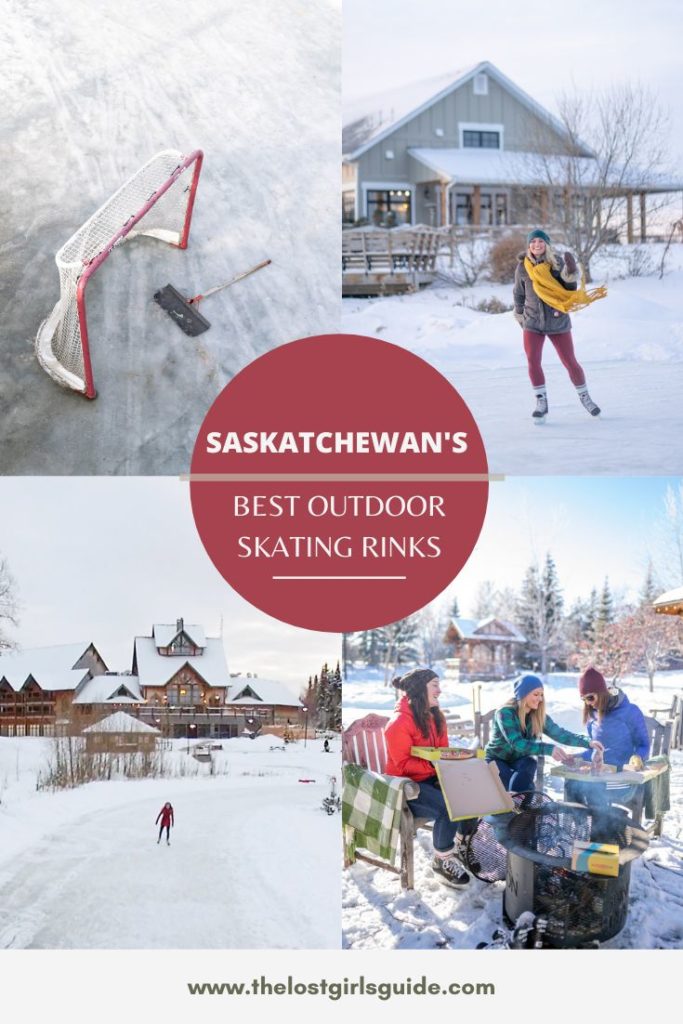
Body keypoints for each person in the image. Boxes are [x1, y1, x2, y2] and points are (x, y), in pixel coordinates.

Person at [384, 668, 474, 889]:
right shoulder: (398, 723)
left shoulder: (436, 718)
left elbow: (442, 751)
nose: (440, 690)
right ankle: (442, 861)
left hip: (429, 779)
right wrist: (433, 765)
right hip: (406, 788)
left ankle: (461, 847)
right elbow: (402, 764)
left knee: (470, 794)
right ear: (420, 689)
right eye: (435, 684)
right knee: (448, 806)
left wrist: (453, 764)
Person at [513, 229, 605, 422]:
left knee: (570, 361)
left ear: (547, 244)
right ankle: (541, 402)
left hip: (557, 319)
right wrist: (520, 315)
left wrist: (570, 274)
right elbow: (518, 294)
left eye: (541, 241)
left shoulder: (556, 263)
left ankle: (585, 397)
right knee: (533, 361)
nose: (537, 245)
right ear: (528, 245)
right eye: (533, 241)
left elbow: (569, 290)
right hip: (532, 322)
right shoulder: (522, 267)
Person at [485, 673, 603, 794]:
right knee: (508, 779)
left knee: (530, 763)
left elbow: (560, 734)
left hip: (519, 760)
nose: (540, 699)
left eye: (541, 695)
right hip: (497, 758)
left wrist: (588, 742)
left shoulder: (538, 715)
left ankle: (519, 805)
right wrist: (549, 749)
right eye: (536, 694)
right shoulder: (505, 713)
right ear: (523, 695)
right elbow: (517, 743)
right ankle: (516, 804)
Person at [564, 667, 650, 809]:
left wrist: (638, 757)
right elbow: (596, 750)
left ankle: (602, 828)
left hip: (621, 775)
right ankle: (580, 826)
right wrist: (576, 757)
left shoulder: (630, 711)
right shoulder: (592, 714)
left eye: (590, 697)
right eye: (584, 699)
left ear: (602, 692)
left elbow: (644, 744)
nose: (588, 703)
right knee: (571, 784)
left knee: (594, 790)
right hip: (597, 774)